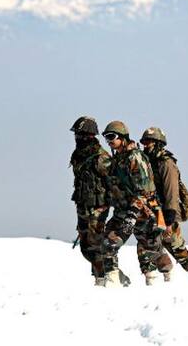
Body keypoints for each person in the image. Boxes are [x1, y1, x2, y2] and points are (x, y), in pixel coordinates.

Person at [102, 120, 165, 286]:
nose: (109, 141)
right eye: (106, 138)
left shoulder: (135, 157)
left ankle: (162, 291)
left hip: (144, 213)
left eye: (111, 137)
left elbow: (143, 191)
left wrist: (132, 215)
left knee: (149, 259)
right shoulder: (117, 160)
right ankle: (114, 280)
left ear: (122, 137)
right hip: (123, 213)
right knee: (107, 244)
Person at [140, 127, 188, 280]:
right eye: (144, 142)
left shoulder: (166, 163)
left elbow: (171, 191)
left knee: (175, 246)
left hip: (166, 211)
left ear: (158, 143)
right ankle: (160, 274)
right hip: (151, 211)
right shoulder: (145, 163)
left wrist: (169, 218)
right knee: (147, 243)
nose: (146, 145)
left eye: (149, 142)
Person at [69, 116, 112, 286]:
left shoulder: (101, 157)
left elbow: (113, 181)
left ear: (89, 135)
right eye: (76, 134)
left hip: (98, 205)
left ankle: (102, 277)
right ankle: (105, 273)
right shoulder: (77, 155)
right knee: (85, 246)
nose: (77, 138)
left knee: (95, 243)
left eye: (81, 134)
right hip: (82, 203)